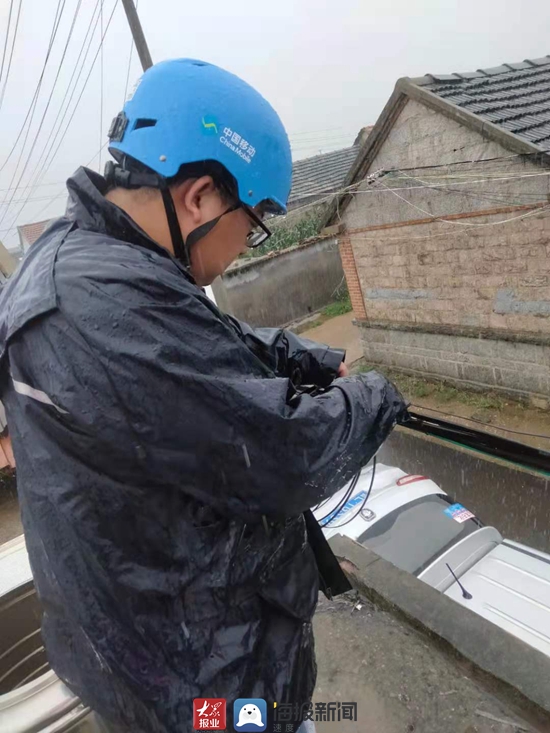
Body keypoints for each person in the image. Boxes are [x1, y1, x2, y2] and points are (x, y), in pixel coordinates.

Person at [0, 59, 406, 732]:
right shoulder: (117, 310)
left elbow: (198, 339)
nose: (246, 245)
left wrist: (293, 353)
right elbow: (287, 455)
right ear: (200, 198)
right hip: (205, 684)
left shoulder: (68, 260)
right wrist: (375, 393)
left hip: (129, 657)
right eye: (251, 222)